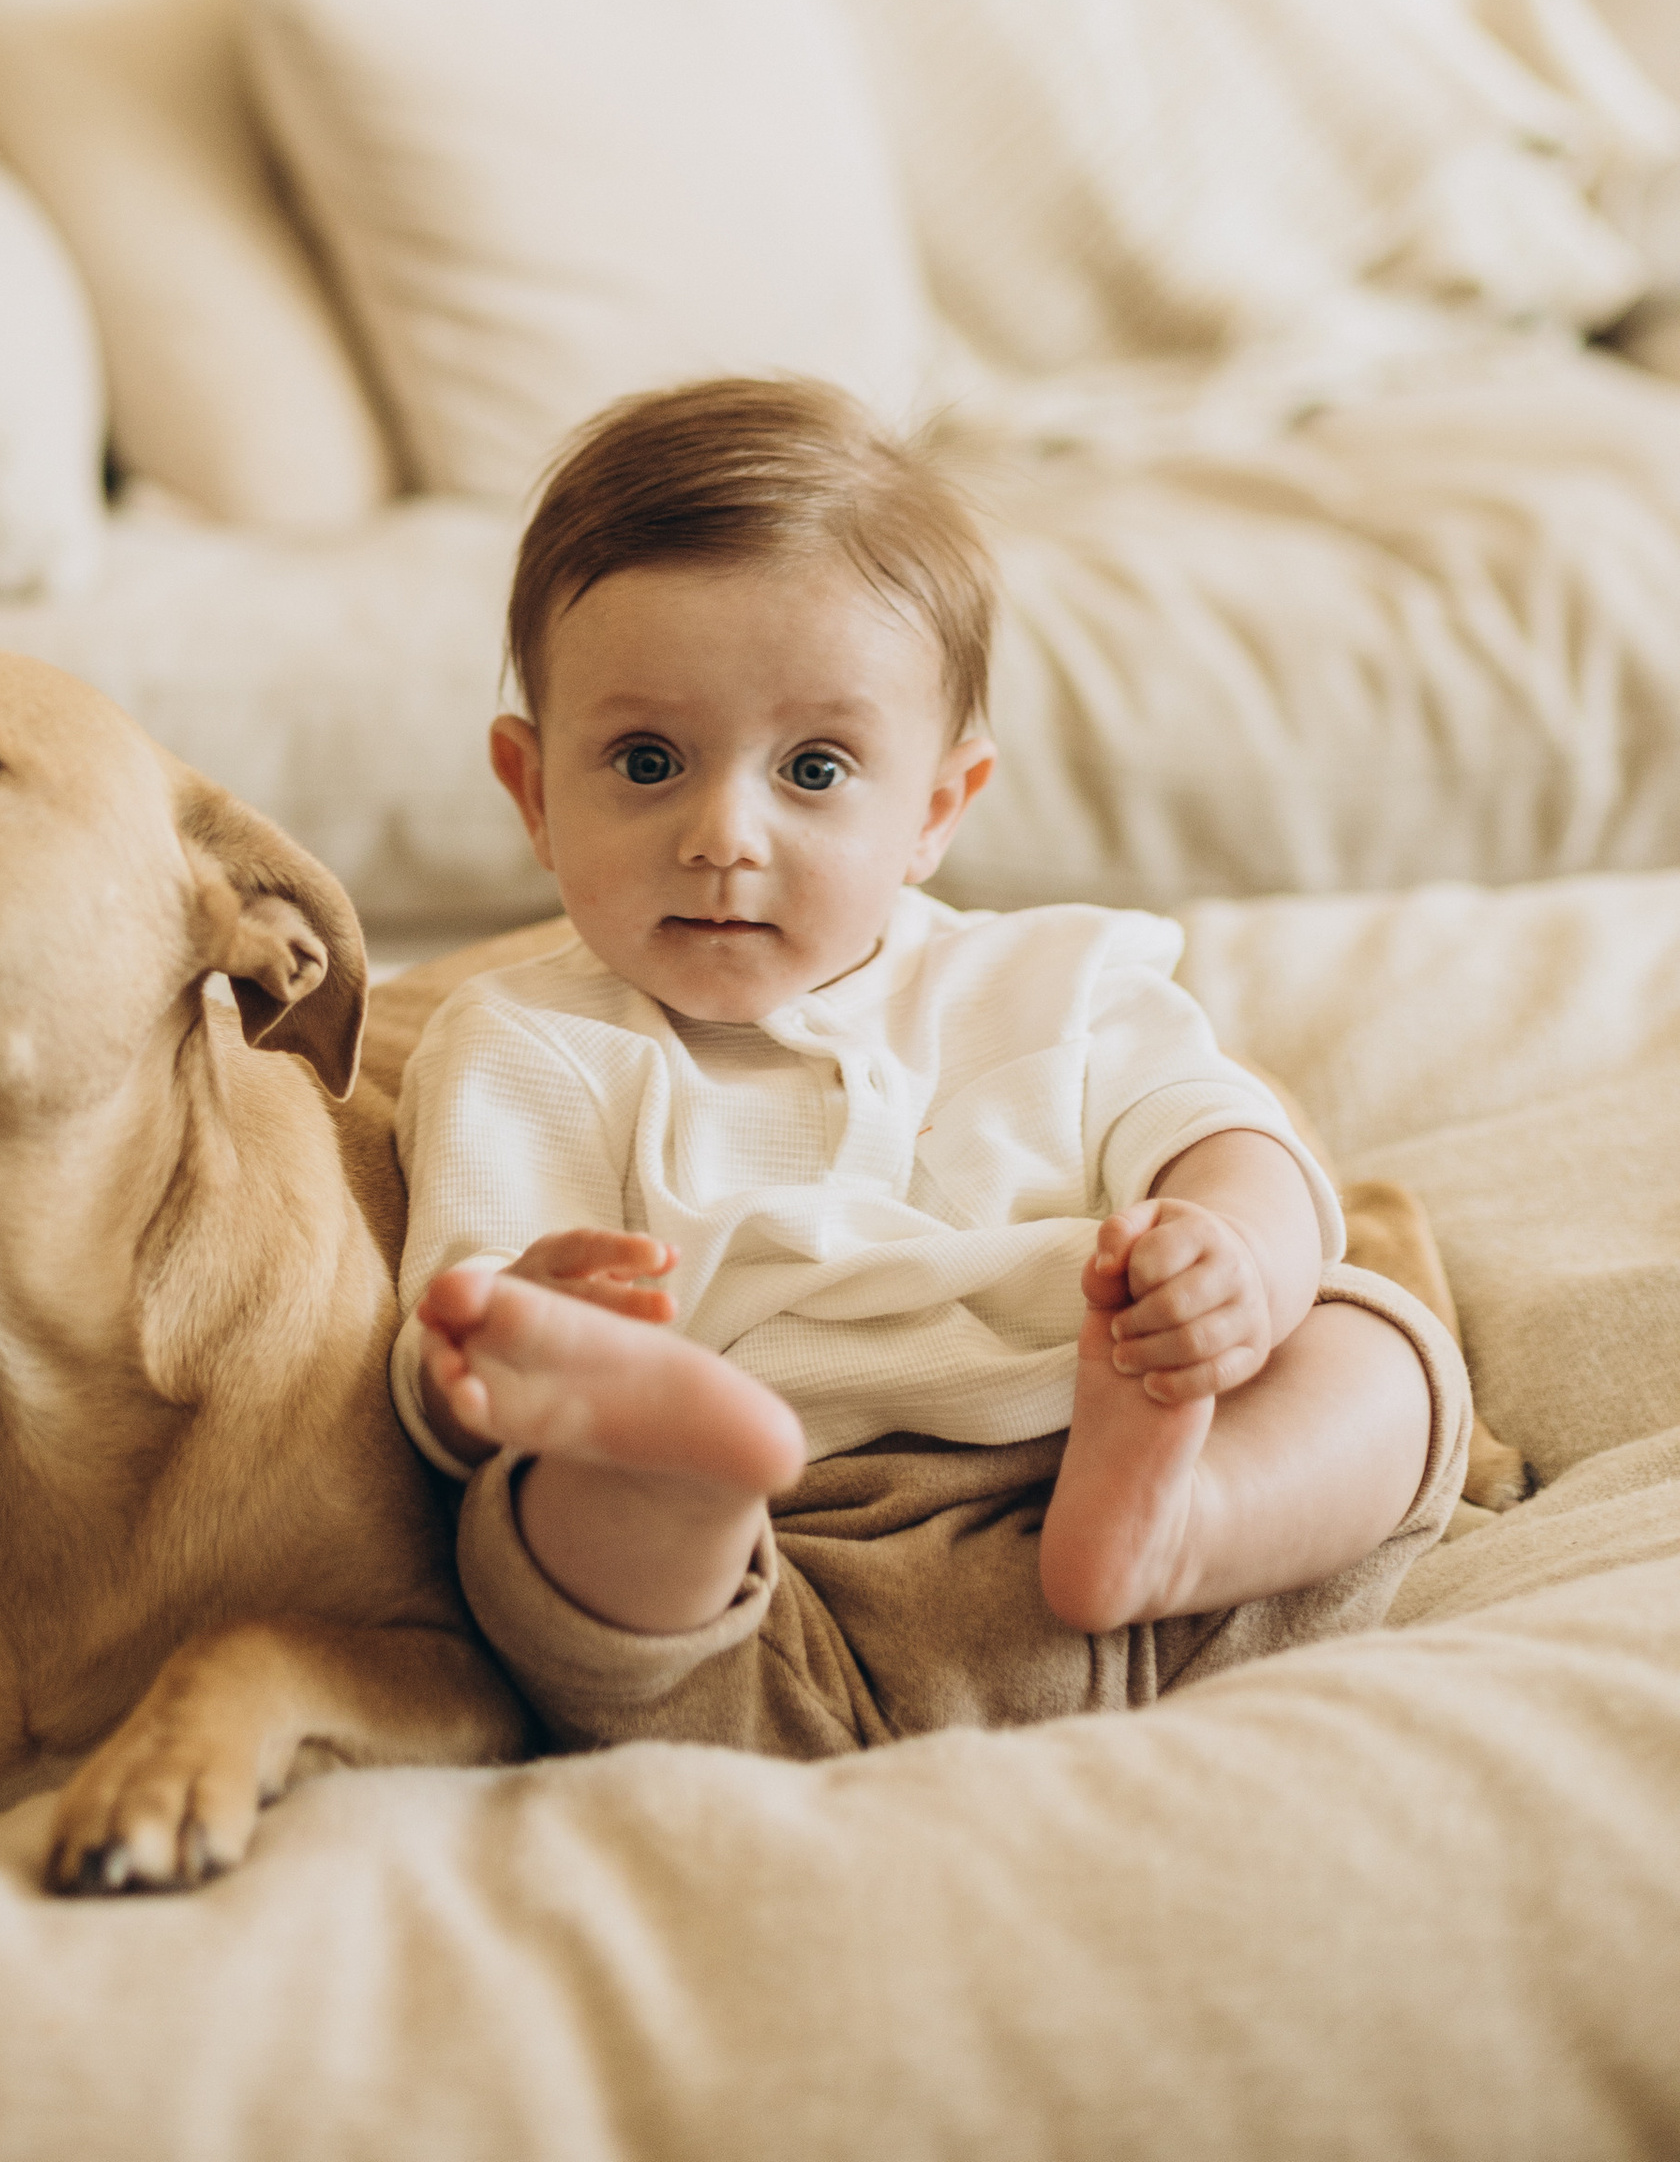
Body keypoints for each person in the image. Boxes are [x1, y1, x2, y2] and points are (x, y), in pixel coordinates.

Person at [392, 377, 1470, 1760]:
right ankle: (681, 1455)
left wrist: (1230, 1266)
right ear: (534, 791)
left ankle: (1178, 1533)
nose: (725, 833)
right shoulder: (522, 1042)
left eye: (818, 770)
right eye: (648, 760)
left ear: (938, 810)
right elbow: (443, 1351)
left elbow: (1225, 1131)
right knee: (535, 1535)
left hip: (1093, 1453)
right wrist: (516, 1341)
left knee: (1377, 1348)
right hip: (765, 1578)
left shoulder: (1051, 979)